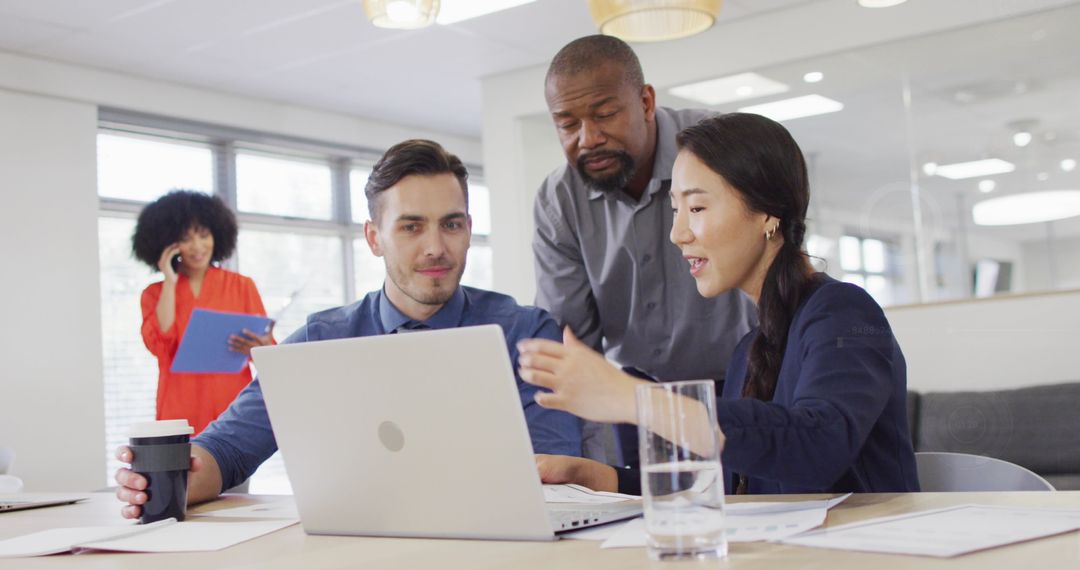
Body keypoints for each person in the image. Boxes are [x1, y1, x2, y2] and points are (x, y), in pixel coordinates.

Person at [115, 140, 583, 519]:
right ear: (374, 238)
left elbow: (557, 477)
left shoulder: (526, 333)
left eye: (451, 224)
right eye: (411, 227)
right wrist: (170, 480)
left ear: (468, 229)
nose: (436, 247)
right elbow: (228, 447)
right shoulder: (322, 340)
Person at [520, 113, 920, 495]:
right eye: (675, 210)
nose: (677, 234)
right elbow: (725, 488)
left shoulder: (843, 313)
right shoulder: (749, 349)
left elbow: (816, 446)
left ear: (768, 213)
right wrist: (597, 476)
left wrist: (633, 399)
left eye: (696, 208)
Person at [533, 35, 756, 459]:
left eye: (605, 115)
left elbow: (772, 269)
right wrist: (582, 466)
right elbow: (571, 342)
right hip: (635, 399)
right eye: (567, 124)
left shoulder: (717, 150)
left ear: (646, 102)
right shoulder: (558, 200)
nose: (588, 138)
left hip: (746, 388)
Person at [133, 190, 274, 436]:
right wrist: (169, 281)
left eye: (204, 235)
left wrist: (259, 348)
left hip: (233, 408)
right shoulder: (154, 293)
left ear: (217, 235)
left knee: (234, 460)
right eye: (186, 239)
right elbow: (159, 345)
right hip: (179, 408)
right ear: (169, 244)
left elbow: (269, 352)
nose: (197, 246)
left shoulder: (242, 286)